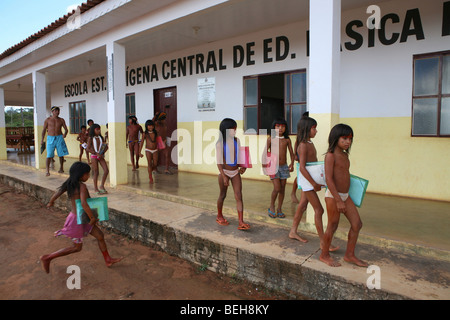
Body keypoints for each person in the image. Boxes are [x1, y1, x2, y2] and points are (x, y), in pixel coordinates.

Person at [40, 162, 122, 274]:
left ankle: (108, 259)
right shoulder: (82, 186)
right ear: (81, 175)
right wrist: (92, 218)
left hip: (82, 217)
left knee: (100, 236)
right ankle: (48, 257)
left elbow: (57, 193)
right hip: (78, 220)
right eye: (88, 174)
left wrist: (51, 202)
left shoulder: (69, 183)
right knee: (76, 248)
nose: (88, 176)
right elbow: (84, 203)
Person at [320, 124, 368, 267]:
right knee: (332, 225)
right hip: (334, 196)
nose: (348, 142)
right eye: (345, 138)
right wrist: (338, 200)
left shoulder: (345, 155)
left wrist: (345, 197)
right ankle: (324, 255)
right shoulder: (330, 156)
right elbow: (329, 179)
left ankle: (349, 255)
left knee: (357, 224)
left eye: (350, 139)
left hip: (345, 196)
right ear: (336, 138)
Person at [216, 118, 250, 230]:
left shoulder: (237, 140)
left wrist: (243, 166)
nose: (234, 131)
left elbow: (239, 155)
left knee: (239, 195)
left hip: (235, 172)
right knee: (222, 195)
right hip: (224, 172)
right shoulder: (220, 143)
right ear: (225, 130)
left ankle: (241, 221)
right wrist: (224, 175)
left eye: (235, 129)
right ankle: (219, 215)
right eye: (232, 129)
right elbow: (219, 162)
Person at [265, 118, 294, 219]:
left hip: (284, 167)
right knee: (277, 188)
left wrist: (292, 164)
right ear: (274, 127)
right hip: (273, 166)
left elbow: (291, 153)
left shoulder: (287, 140)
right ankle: (272, 206)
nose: (280, 128)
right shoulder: (270, 139)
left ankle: (279, 209)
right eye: (278, 126)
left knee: (282, 189)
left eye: (282, 126)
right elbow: (265, 152)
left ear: (285, 128)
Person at [41, 106, 69, 176]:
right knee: (49, 154)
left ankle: (61, 168)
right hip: (50, 138)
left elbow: (66, 129)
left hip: (59, 137)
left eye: (58, 111)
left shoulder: (61, 120)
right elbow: (44, 130)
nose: (57, 112)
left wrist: (65, 134)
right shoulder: (47, 120)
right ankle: (47, 170)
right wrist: (42, 140)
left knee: (61, 154)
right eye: (56, 111)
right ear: (52, 112)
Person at [87, 124, 109, 195]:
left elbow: (104, 146)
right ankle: (96, 188)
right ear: (93, 130)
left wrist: (103, 152)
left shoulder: (100, 138)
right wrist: (96, 153)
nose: (99, 131)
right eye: (97, 130)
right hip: (94, 156)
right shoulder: (90, 138)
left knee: (106, 170)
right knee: (96, 172)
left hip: (100, 156)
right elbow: (88, 148)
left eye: (99, 129)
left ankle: (102, 185)